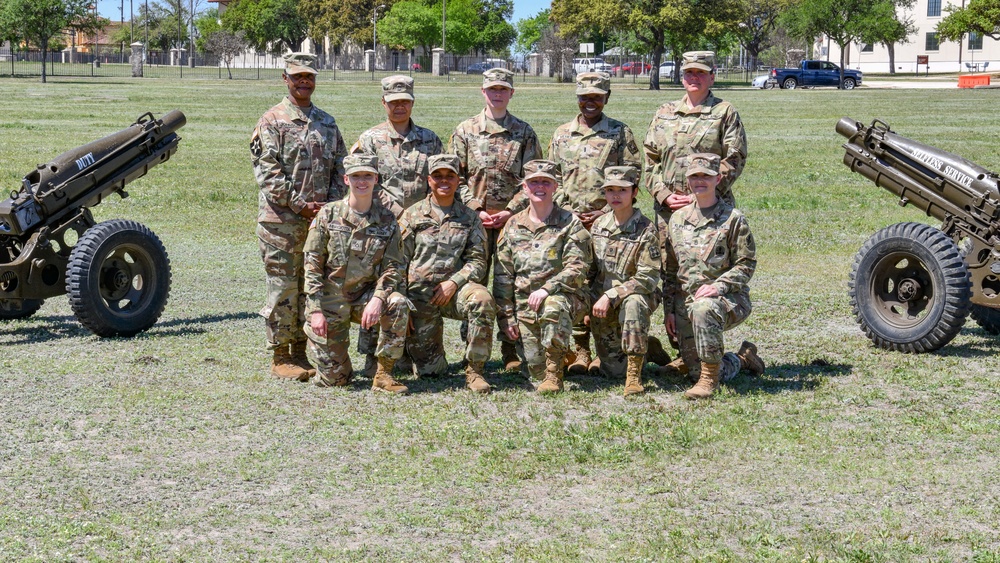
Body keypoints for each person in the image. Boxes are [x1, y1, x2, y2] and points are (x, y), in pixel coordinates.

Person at [547, 71, 669, 373]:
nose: (591, 102)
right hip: (570, 222)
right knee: (577, 280)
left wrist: (605, 213)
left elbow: (632, 174)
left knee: (605, 279)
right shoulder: (562, 134)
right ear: (577, 97)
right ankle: (580, 351)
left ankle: (616, 347)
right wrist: (568, 211)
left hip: (610, 223)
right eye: (585, 96)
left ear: (607, 98)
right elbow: (554, 176)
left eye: (597, 97)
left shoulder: (619, 133)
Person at [642, 50, 748, 377]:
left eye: (701, 73)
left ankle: (738, 359)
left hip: (709, 214)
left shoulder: (723, 112)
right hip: (668, 212)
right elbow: (650, 162)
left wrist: (702, 196)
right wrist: (662, 193)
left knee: (703, 276)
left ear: (712, 76)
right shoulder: (664, 113)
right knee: (672, 274)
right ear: (681, 75)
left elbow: (735, 158)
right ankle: (685, 349)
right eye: (689, 72)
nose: (694, 78)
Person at [251, 52, 347, 381]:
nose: (304, 82)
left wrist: (330, 207)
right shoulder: (271, 121)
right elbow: (269, 174)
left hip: (318, 225)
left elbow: (341, 169)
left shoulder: (327, 123)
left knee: (310, 288)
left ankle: (300, 352)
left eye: (309, 76)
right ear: (285, 79)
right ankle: (280, 355)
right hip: (281, 224)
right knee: (283, 289)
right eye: (297, 77)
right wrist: (301, 205)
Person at [451, 67, 543, 371]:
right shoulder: (464, 131)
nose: (497, 94)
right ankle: (472, 349)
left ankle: (511, 349)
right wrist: (476, 207)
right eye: (492, 89)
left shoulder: (524, 133)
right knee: (473, 282)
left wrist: (511, 210)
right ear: (483, 92)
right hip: (473, 221)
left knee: (513, 282)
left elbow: (533, 180)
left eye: (503, 89)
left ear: (511, 93)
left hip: (513, 223)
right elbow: (455, 178)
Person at [351, 74, 443, 376]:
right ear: (383, 103)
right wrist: (396, 211)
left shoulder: (430, 140)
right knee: (382, 286)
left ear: (413, 102)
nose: (399, 107)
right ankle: (374, 357)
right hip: (381, 228)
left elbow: (439, 183)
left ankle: (415, 353)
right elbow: (362, 182)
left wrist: (417, 215)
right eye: (393, 102)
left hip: (421, 231)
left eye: (405, 101)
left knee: (415, 287)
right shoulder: (369, 140)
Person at [302, 154, 411, 394]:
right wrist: (316, 310)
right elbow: (312, 265)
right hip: (331, 300)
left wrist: (378, 298)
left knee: (397, 303)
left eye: (367, 176)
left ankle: (383, 374)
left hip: (365, 295)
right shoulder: (328, 215)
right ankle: (340, 366)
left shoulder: (386, 220)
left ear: (376, 179)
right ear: (346, 180)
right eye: (356, 176)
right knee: (336, 379)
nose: (362, 182)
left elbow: (394, 266)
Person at [662, 153, 764, 400]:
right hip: (686, 303)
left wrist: (719, 287)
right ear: (687, 180)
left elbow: (746, 263)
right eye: (695, 176)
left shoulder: (732, 219)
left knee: (704, 307)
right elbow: (671, 272)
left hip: (728, 300)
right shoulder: (676, 220)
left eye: (706, 176)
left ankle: (709, 382)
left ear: (718, 179)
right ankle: (742, 359)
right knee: (693, 370)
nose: (700, 181)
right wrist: (669, 311)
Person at [398, 154, 496, 393]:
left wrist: (454, 282)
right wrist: (403, 305)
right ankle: (415, 357)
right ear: (428, 180)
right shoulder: (412, 215)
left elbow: (478, 261)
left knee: (481, 299)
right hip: (420, 297)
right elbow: (398, 262)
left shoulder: (469, 218)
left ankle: (475, 371)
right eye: (438, 176)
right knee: (431, 371)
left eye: (450, 176)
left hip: (455, 292)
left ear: (457, 180)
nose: (444, 181)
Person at [494, 160, 592, 393]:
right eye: (534, 182)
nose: (540, 187)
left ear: (555, 186)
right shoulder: (512, 225)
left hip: (566, 298)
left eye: (546, 182)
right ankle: (559, 354)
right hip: (525, 305)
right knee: (534, 371)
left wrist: (548, 288)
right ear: (525, 188)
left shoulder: (570, 223)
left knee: (553, 306)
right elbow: (502, 276)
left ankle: (554, 375)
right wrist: (507, 317)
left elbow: (577, 269)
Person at [588, 165, 664, 397]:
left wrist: (612, 294)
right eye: (610, 190)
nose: (615, 195)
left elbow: (648, 277)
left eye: (622, 190)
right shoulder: (599, 226)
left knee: (634, 303)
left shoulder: (646, 230)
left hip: (634, 297)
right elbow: (591, 270)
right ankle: (647, 348)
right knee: (612, 371)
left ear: (634, 192)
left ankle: (634, 377)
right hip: (602, 304)